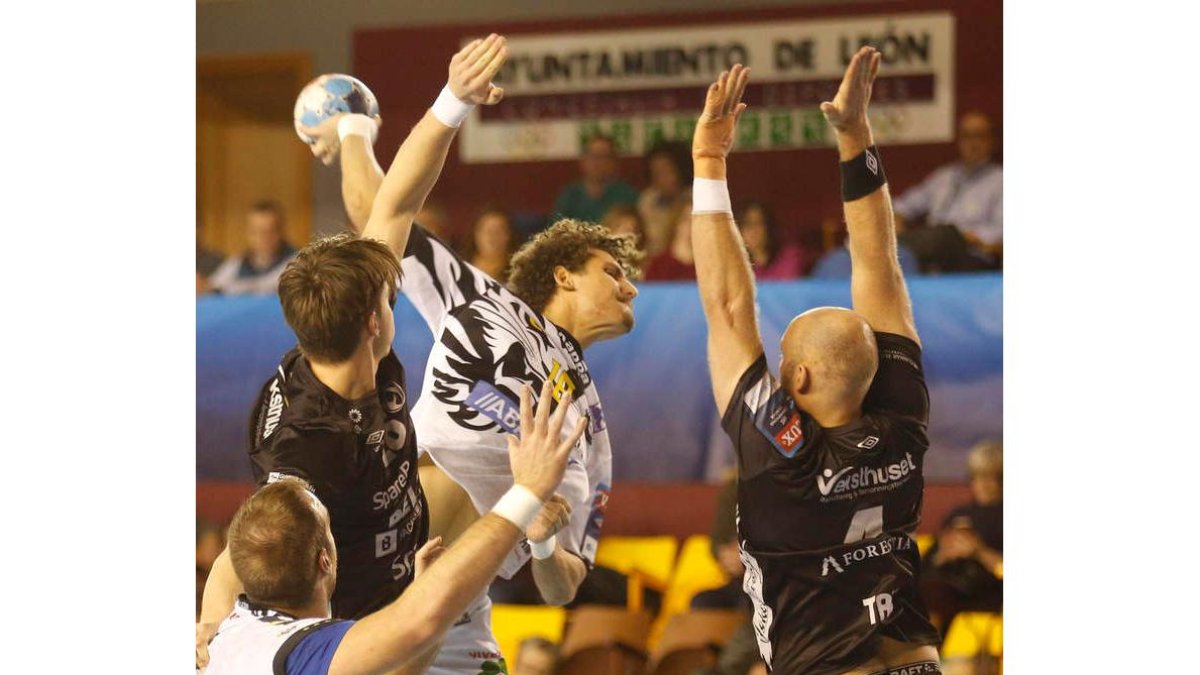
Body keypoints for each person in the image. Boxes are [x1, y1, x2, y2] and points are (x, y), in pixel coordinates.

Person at [197, 34, 513, 670]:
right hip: (368, 623)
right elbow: (252, 541)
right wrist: (207, 623)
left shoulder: (340, 332)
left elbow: (393, 205)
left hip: (410, 527)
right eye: (390, 302)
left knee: (483, 450)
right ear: (375, 323)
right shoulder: (304, 449)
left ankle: (344, 127)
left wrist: (448, 101)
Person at [330, 70, 642, 675]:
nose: (629, 286)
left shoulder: (592, 429)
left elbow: (562, 587)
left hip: (458, 612)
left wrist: (545, 539)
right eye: (612, 271)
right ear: (564, 274)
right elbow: (380, 215)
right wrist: (351, 129)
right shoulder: (485, 301)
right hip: (374, 554)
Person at [689, 52, 941, 674]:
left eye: (783, 360)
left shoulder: (786, 456)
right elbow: (879, 265)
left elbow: (727, 306)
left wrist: (709, 162)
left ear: (797, 378)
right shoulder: (901, 420)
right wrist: (857, 134)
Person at [205, 382, 587, 675]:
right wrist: (525, 495)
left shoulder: (236, 630)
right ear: (326, 558)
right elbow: (419, 622)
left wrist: (207, 624)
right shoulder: (301, 649)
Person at [892, 112, 1002, 271]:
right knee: (891, 234)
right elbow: (904, 205)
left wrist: (966, 237)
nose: (973, 143)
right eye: (966, 136)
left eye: (979, 136)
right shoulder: (943, 177)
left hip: (971, 255)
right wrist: (896, 217)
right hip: (930, 248)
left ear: (992, 141)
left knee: (945, 234)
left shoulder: (1000, 180)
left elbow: (1001, 231)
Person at [919, 441, 1003, 638]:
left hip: (987, 591)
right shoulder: (958, 515)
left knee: (932, 593)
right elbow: (927, 564)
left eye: (993, 478)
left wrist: (978, 551)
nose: (985, 484)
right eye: (978, 477)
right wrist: (943, 553)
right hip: (947, 584)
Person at [206, 200, 299, 295]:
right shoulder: (237, 263)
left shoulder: (298, 262)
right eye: (256, 232)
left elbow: (276, 285)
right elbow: (213, 286)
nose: (263, 237)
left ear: (281, 231)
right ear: (248, 233)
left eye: (270, 231)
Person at [553, 133, 639, 223]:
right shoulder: (570, 195)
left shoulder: (626, 194)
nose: (597, 163)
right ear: (583, 161)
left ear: (614, 162)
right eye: (593, 156)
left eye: (604, 157)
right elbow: (556, 229)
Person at [638, 140, 693, 257]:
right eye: (656, 173)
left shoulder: (697, 198)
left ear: (680, 170)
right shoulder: (647, 201)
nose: (661, 178)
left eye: (666, 171)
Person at [737, 202, 810, 280]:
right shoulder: (736, 268)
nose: (753, 230)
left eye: (758, 223)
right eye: (747, 224)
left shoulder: (790, 257)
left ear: (768, 227)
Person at [462, 206, 519, 283]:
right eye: (487, 230)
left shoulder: (518, 273)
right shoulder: (461, 268)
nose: (492, 237)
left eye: (498, 231)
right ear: (476, 233)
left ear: (509, 235)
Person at [643, 205, 696, 281]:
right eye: (686, 219)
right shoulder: (658, 265)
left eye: (696, 220)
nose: (691, 224)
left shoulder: (710, 264)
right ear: (676, 223)